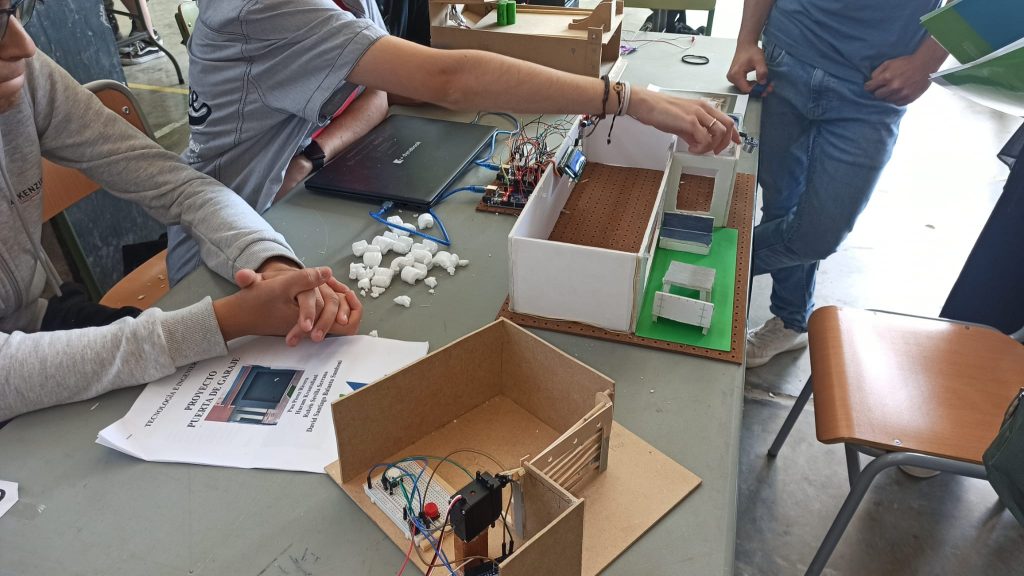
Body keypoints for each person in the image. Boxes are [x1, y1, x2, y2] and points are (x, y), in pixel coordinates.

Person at [168, 0, 742, 284]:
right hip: (226, 247)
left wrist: (312, 156)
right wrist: (626, 99)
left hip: (294, 204)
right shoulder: (264, 9)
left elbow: (377, 94)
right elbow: (448, 79)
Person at [0, 2, 361, 423]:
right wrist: (221, 322)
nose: (24, 45)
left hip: (35, 320)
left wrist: (270, 263)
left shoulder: (27, 75)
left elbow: (176, 184)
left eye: (15, 9)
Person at [726, 0, 948, 367]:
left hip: (873, 86)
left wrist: (928, 61)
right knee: (781, 204)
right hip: (786, 57)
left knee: (817, 235)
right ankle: (791, 319)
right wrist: (746, 39)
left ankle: (707, 265)